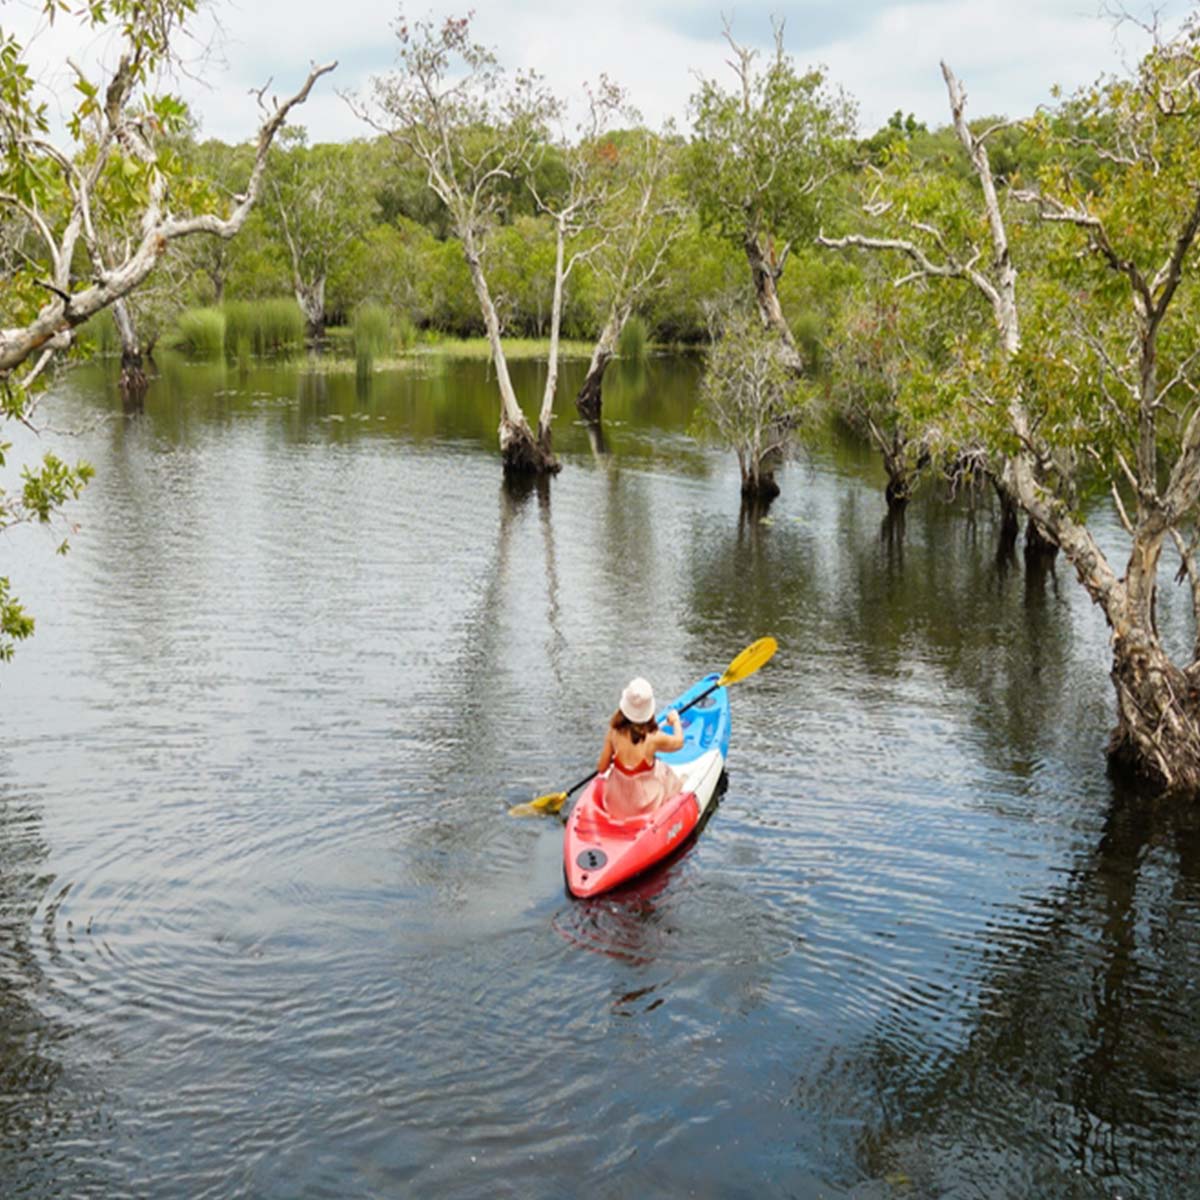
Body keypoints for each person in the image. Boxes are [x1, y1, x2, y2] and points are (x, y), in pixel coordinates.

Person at [596, 677, 685, 820]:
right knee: (665, 772)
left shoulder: (613, 731)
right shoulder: (654, 738)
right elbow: (679, 742)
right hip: (643, 805)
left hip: (616, 802)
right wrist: (675, 721)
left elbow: (601, 768)